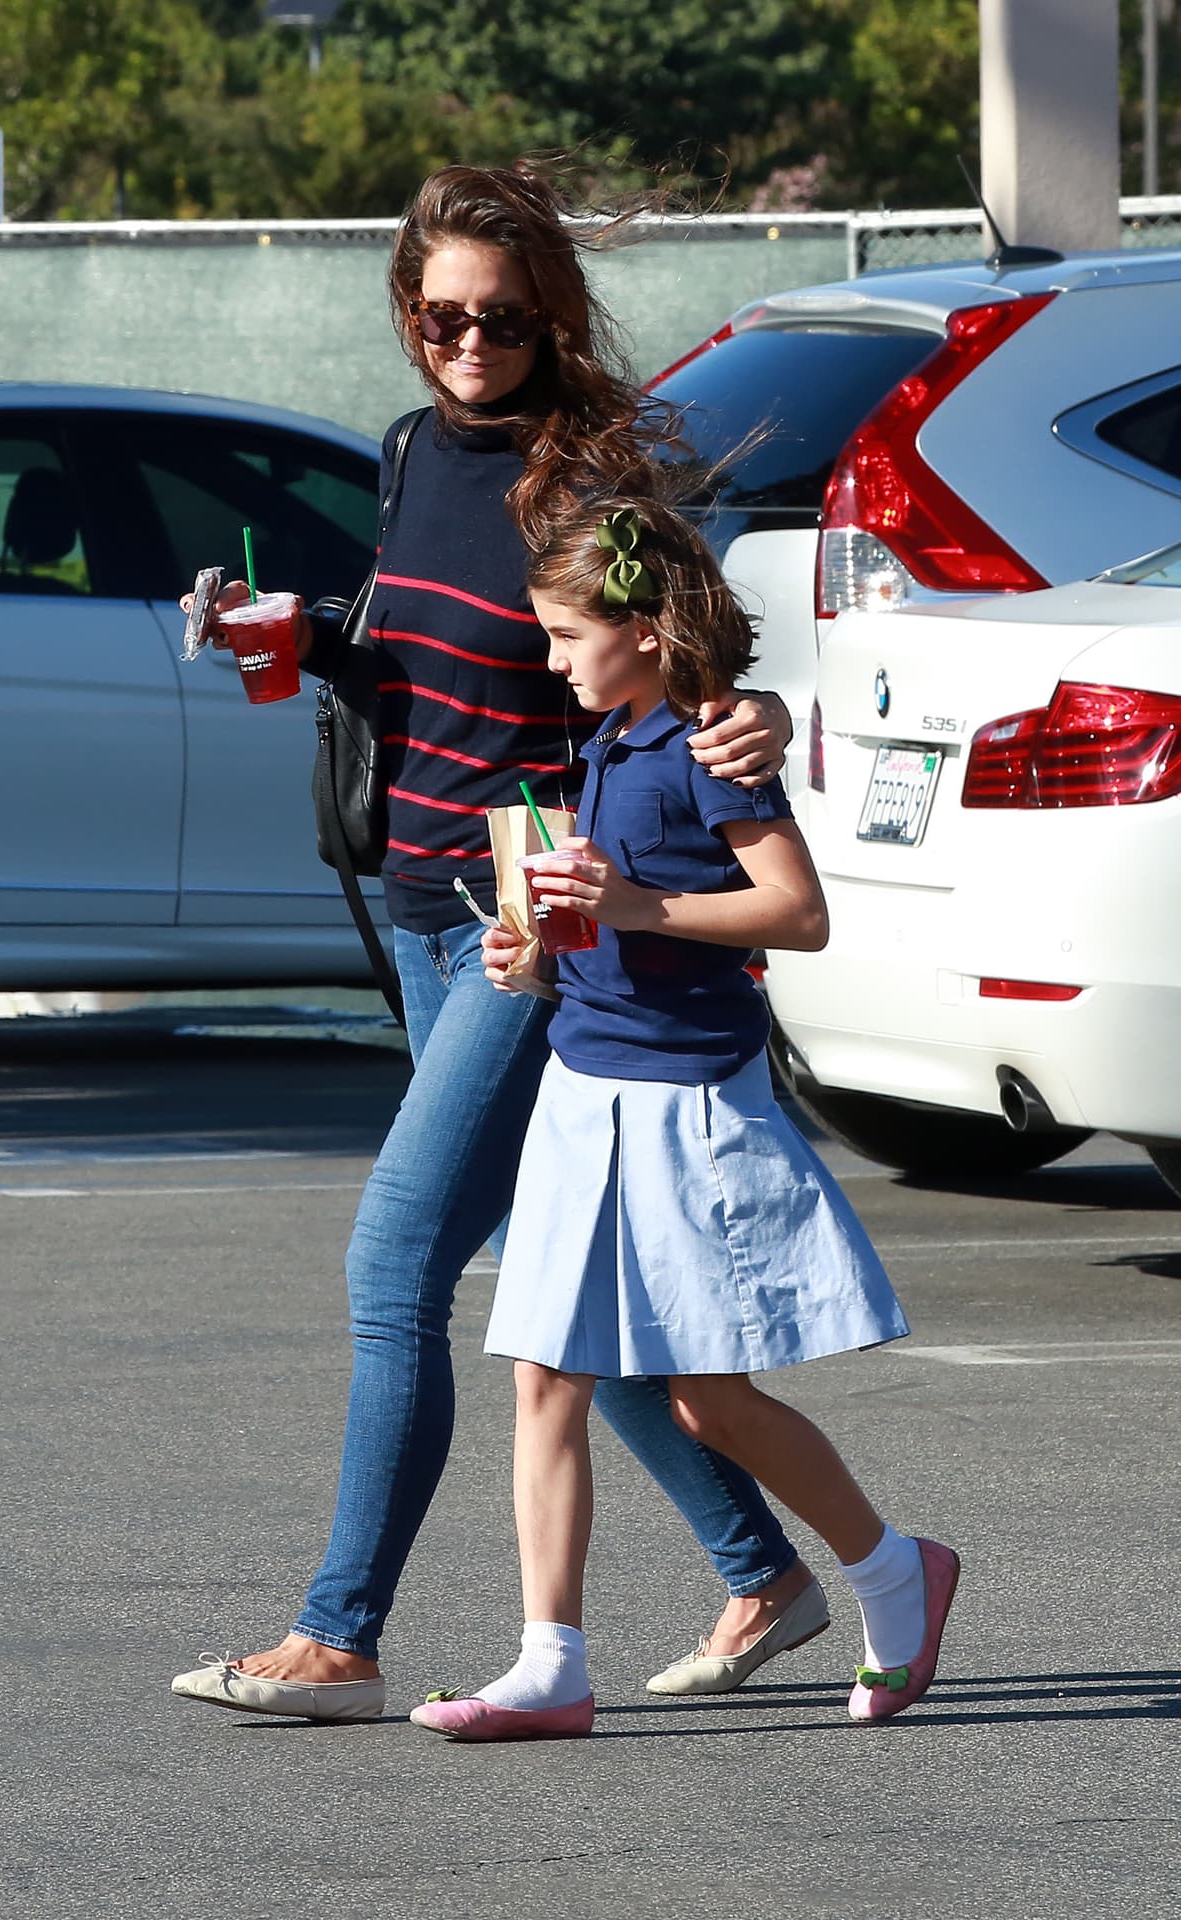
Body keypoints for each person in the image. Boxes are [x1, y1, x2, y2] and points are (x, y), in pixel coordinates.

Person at [171, 164, 826, 1727]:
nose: (471, 345)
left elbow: (694, 656)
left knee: (396, 1260)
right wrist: (302, 637)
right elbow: (414, 648)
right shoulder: (411, 451)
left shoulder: (589, 478)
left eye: (505, 320)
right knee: (558, 1283)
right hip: (415, 905)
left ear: (554, 318)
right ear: (410, 313)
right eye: (442, 317)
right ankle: (770, 1573)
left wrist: (756, 718)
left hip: (529, 921)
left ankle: (339, 1635)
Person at [411, 497, 959, 1743]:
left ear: (645, 633)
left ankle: (893, 1571)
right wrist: (532, 955)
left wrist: (632, 907)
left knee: (705, 1399)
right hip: (582, 1087)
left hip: (684, 1106)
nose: (551, 659)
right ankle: (549, 1665)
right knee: (544, 1377)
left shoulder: (707, 746)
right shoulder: (609, 742)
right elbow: (611, 920)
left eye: (566, 635)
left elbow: (796, 912)